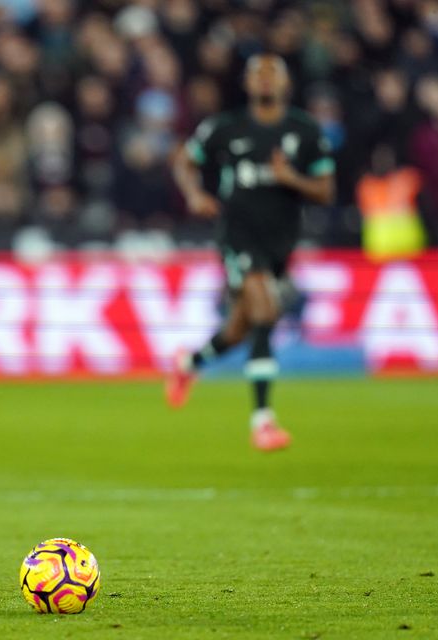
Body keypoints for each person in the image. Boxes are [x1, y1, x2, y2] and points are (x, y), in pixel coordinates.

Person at [168, 54, 335, 451]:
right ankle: (263, 421)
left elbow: (326, 191)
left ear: (285, 83)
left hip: (281, 240)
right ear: (246, 84)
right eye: (257, 74)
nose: (264, 81)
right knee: (264, 308)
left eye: (271, 74)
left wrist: (290, 177)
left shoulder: (305, 130)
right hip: (237, 234)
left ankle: (187, 365)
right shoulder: (226, 128)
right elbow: (185, 161)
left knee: (242, 327)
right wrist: (193, 194)